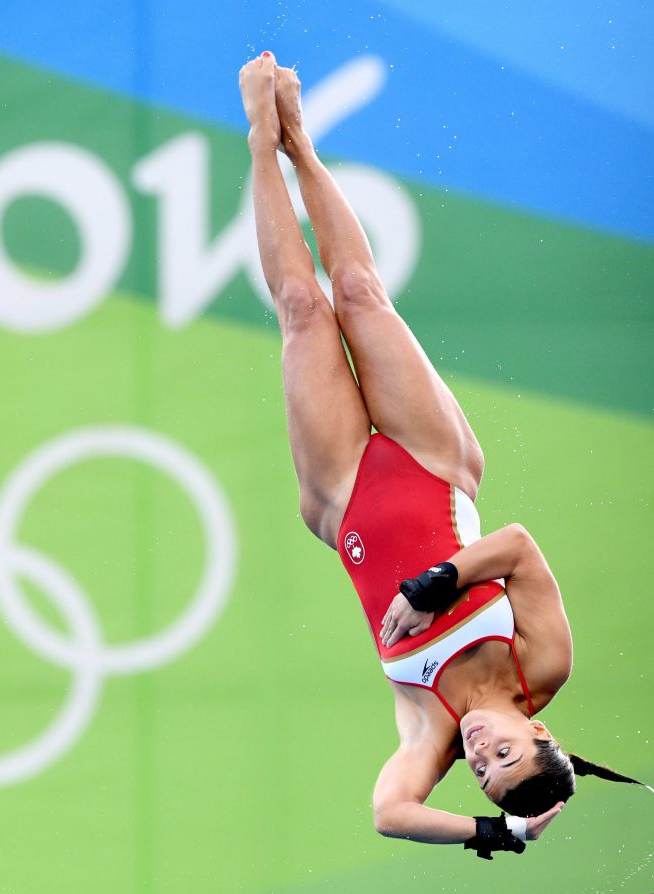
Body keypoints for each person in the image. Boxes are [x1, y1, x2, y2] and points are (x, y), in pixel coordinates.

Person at [238, 51, 647, 858]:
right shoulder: (543, 665)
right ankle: (300, 143)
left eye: (483, 774)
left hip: (345, 498)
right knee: (359, 293)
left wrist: (495, 832)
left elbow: (390, 811)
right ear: (540, 730)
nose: (481, 754)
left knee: (303, 312)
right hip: (434, 465)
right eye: (506, 755)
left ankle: (258, 136)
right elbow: (518, 548)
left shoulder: (431, 729)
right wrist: (438, 582)